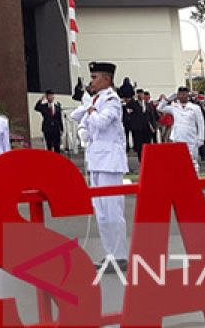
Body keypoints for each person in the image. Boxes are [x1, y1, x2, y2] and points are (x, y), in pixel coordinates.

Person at [70, 62, 129, 271]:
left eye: (95, 77)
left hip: (110, 161)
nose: (91, 81)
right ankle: (110, 253)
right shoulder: (95, 100)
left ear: (106, 79)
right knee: (101, 211)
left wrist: (91, 110)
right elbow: (76, 117)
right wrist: (84, 124)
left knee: (113, 210)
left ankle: (120, 255)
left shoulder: (112, 100)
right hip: (96, 160)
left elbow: (102, 122)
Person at [158, 88, 205, 173]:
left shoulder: (195, 108)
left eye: (184, 94)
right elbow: (160, 108)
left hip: (191, 138)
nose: (183, 96)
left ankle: (195, 181)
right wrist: (169, 98)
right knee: (178, 161)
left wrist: (201, 138)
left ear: (188, 95)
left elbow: (201, 124)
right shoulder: (174, 107)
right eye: (180, 94)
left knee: (193, 161)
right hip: (177, 137)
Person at [125, 90, 155, 161]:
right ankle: (141, 158)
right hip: (137, 127)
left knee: (147, 142)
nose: (140, 95)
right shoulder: (134, 104)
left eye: (141, 94)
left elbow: (151, 116)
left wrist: (153, 126)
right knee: (139, 144)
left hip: (147, 127)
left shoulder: (147, 104)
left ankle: (148, 157)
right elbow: (128, 106)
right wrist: (133, 98)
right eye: (139, 94)